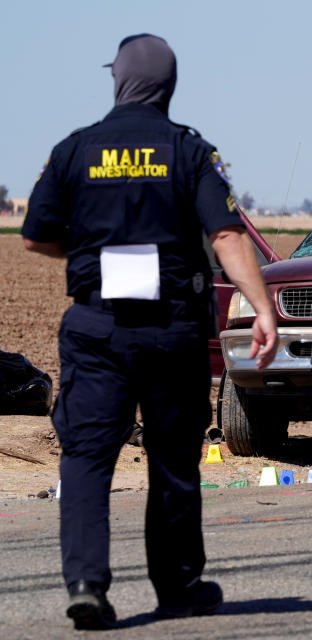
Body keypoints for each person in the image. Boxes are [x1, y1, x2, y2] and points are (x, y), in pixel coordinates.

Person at [22, 34, 278, 629]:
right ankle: (179, 587)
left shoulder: (74, 150)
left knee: (86, 457)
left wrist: (91, 254)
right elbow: (226, 236)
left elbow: (35, 235)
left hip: (95, 327)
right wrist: (261, 306)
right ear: (168, 84)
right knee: (171, 459)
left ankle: (86, 584)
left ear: (119, 80)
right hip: (172, 328)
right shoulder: (189, 152)